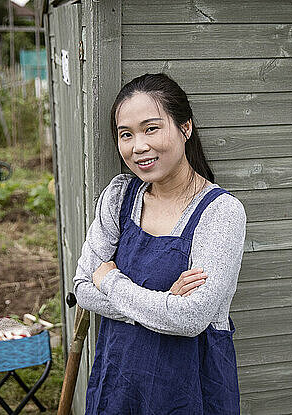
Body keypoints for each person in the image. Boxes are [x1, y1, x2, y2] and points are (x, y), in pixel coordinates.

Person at [73, 73, 247, 414]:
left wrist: (110, 280)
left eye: (151, 128)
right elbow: (82, 287)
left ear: (185, 128)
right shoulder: (119, 197)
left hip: (190, 390)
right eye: (126, 134)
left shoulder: (222, 212)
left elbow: (190, 319)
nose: (138, 146)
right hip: (119, 380)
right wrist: (165, 302)